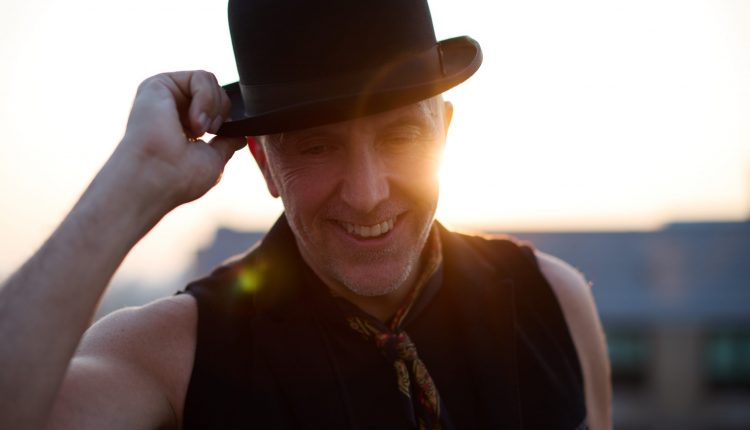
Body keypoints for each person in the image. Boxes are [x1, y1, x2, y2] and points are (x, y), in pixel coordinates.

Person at [0, 0, 611, 429]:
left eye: (400, 135)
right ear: (264, 163)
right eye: (317, 147)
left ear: (443, 137)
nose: (367, 194)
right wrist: (132, 183)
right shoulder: (171, 354)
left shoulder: (553, 300)